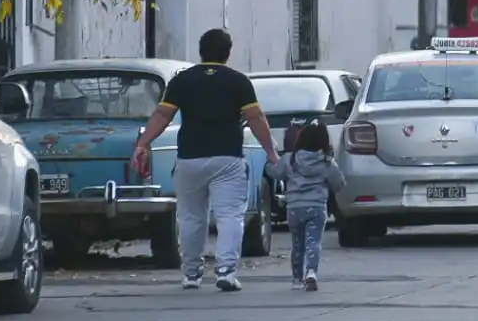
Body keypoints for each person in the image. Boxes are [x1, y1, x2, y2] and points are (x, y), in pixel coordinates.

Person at [132, 28, 279, 292]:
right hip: (227, 158)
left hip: (190, 158)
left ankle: (190, 273)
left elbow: (162, 116)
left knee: (190, 218)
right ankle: (225, 270)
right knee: (230, 215)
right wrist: (270, 151)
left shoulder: (181, 81)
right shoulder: (238, 82)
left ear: (200, 52)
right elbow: (256, 119)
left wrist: (143, 144)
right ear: (228, 53)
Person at [265, 120, 344, 291]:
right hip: (316, 207)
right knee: (313, 242)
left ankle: (296, 278)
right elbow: (339, 184)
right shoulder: (327, 163)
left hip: (294, 208)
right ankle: (311, 272)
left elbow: (274, 171)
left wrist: (268, 160)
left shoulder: (290, 160)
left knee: (297, 244)